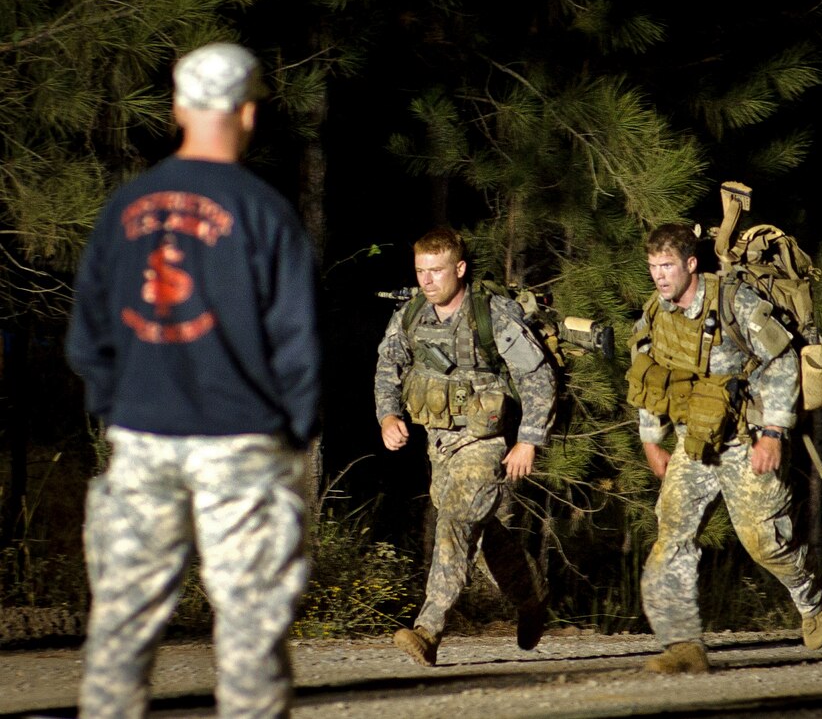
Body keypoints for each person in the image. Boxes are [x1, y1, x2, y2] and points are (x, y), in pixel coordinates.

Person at [65, 42, 321, 718]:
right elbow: (297, 344)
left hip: (143, 437)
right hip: (241, 442)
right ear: (247, 111)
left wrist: (119, 407)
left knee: (120, 627)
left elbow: (89, 335)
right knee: (249, 635)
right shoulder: (266, 213)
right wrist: (290, 436)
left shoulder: (126, 206)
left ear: (178, 106)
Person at [627, 223, 822, 674]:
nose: (659, 276)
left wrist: (775, 432)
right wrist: (649, 439)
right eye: (653, 267)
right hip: (693, 444)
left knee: (765, 544)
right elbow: (649, 371)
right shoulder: (656, 313)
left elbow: (781, 363)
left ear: (691, 264)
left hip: (746, 441)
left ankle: (810, 597)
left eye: (667, 266)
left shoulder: (734, 302)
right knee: (670, 540)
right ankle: (684, 646)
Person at [374, 226, 556, 666]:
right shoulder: (412, 314)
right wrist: (388, 415)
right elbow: (388, 364)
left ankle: (428, 629)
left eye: (436, 270)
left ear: (459, 268)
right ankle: (530, 602)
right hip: (439, 443)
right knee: (481, 530)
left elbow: (538, 379)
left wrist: (528, 441)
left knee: (455, 520)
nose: (427, 280)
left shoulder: (492, 314)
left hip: (485, 441)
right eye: (421, 271)